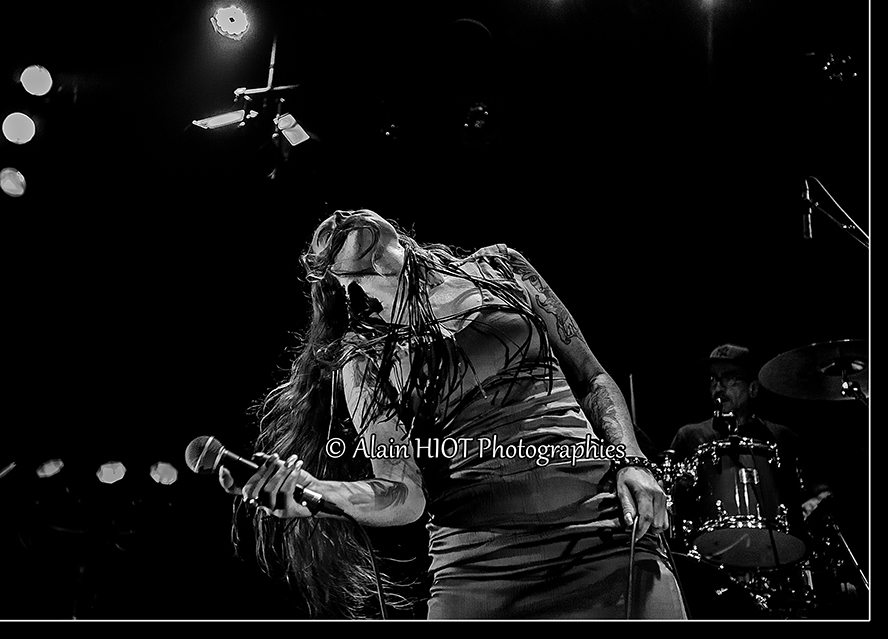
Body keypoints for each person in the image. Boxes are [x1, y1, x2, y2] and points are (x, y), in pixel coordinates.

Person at [222, 208, 686, 619]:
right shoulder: (367, 358)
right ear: (341, 281)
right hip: (480, 570)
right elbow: (403, 493)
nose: (341, 215)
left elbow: (592, 376)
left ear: (394, 231)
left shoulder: (500, 267)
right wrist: (319, 492)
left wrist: (633, 461)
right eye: (329, 231)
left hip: (602, 532)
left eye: (348, 211)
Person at [668, 344, 832, 518]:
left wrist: (813, 503)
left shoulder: (783, 438)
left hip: (776, 533)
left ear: (753, 388)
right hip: (709, 532)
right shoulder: (691, 437)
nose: (718, 388)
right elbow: (668, 494)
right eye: (713, 379)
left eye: (729, 378)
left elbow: (819, 490)